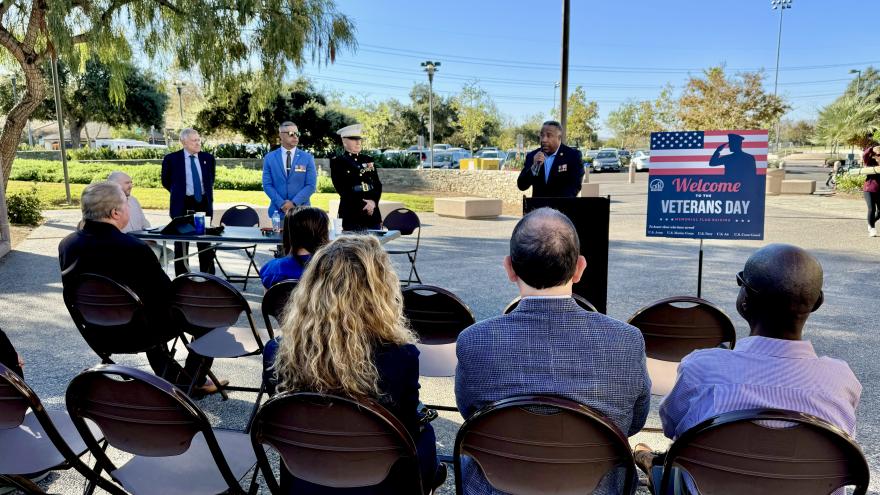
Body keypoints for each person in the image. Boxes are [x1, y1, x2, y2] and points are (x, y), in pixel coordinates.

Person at [633, 244, 862, 495]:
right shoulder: (841, 381)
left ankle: (649, 460)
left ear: (744, 301)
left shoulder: (702, 369)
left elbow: (672, 426)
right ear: (817, 302)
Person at [455, 207, 651, 494]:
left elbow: (469, 414)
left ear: (509, 268)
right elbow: (634, 423)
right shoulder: (627, 341)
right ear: (580, 268)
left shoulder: (475, 341)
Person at [264, 235, 443, 493]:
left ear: (312, 287)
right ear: (380, 290)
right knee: (425, 435)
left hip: (305, 476)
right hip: (379, 481)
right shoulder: (400, 357)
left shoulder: (276, 353)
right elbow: (407, 435)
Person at [58, 181, 220, 396]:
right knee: (210, 317)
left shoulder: (67, 245)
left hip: (97, 330)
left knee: (145, 310)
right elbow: (167, 295)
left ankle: (178, 380)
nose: (129, 207)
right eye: (127, 203)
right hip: (140, 332)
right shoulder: (133, 248)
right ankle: (192, 382)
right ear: (115, 212)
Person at [161, 128, 216, 275]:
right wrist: (180, 194)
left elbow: (210, 180)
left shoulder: (208, 158)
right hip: (182, 204)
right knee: (181, 242)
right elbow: (166, 182)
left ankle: (208, 276)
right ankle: (182, 276)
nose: (198, 143)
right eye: (194, 140)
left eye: (199, 139)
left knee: (204, 240)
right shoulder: (171, 159)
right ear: (183, 142)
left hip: (203, 203)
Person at [259, 206, 329, 289]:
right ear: (323, 233)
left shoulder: (273, 269)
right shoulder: (335, 268)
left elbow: (268, 300)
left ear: (288, 234)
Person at [330, 124, 383, 231]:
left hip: (372, 214)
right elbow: (343, 190)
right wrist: (366, 205)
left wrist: (373, 202)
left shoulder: (368, 159)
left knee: (374, 246)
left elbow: (377, 184)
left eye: (359, 139)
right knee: (351, 247)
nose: (358, 142)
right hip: (351, 215)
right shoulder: (338, 162)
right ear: (344, 141)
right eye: (353, 139)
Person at [262, 121, 318, 218]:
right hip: (278, 213)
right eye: (291, 134)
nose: (295, 136)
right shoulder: (270, 158)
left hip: (302, 213)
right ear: (281, 135)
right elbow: (267, 185)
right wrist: (282, 204)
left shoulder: (307, 158)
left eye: (297, 134)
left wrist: (294, 203)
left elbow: (311, 185)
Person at [517, 121, 584, 198]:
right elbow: (521, 185)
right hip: (538, 208)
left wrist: (556, 205)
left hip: (562, 207)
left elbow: (575, 185)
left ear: (559, 138)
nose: (544, 140)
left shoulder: (573, 156)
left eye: (549, 136)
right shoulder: (532, 156)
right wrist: (534, 167)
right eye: (542, 135)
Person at [861, 145, 880, 237]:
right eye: (878, 154)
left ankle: (870, 222)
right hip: (869, 189)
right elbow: (864, 155)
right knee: (872, 209)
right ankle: (872, 228)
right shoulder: (869, 162)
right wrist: (871, 149)